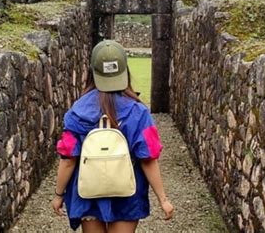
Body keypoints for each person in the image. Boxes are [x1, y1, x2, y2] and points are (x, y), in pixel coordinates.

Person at [52, 40, 174, 233]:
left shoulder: (77, 111)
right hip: (127, 195)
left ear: (92, 72)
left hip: (88, 193)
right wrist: (163, 199)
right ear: (125, 71)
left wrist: (58, 194)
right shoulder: (139, 112)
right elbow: (149, 158)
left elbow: (68, 159)